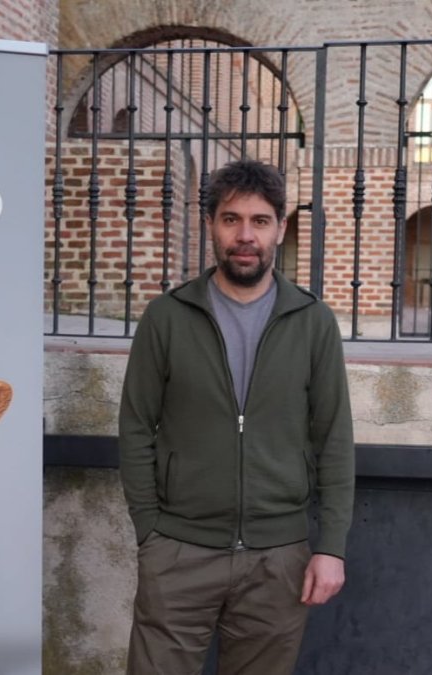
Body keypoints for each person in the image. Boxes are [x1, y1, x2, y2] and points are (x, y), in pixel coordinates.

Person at [118, 159, 355, 675]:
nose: (245, 235)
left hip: (278, 557)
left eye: (260, 221)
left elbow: (334, 439)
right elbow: (136, 427)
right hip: (178, 552)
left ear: (280, 228)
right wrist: (150, 531)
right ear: (211, 224)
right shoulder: (166, 318)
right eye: (231, 219)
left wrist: (331, 548)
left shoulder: (313, 322)